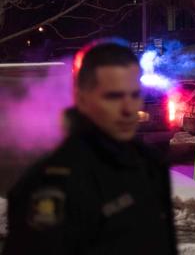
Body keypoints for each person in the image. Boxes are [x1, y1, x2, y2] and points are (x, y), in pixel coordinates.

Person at [2, 39, 178, 254]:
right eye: (113, 96)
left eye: (134, 95)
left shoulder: (151, 163)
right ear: (82, 98)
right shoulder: (49, 184)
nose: (128, 109)